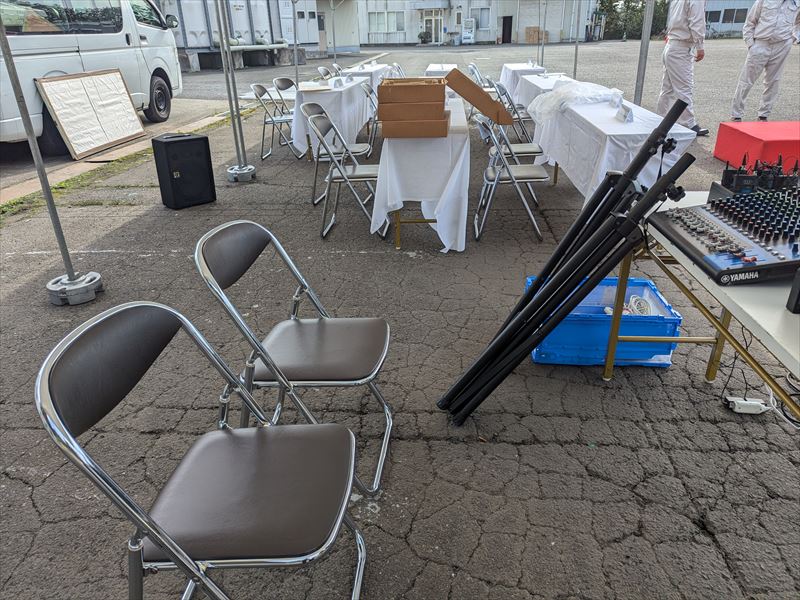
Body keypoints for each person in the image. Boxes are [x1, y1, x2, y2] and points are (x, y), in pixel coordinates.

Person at [730, 0, 800, 122]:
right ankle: (736, 114)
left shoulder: (797, 3)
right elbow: (750, 21)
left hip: (782, 45)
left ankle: (763, 115)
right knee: (746, 80)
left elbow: (798, 23)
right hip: (760, 43)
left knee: (773, 81)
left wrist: (794, 37)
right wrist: (750, 44)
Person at [656, 0, 708, 136]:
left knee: (667, 89)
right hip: (681, 47)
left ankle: (660, 118)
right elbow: (696, 21)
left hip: (672, 44)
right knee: (684, 88)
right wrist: (700, 46)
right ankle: (688, 124)